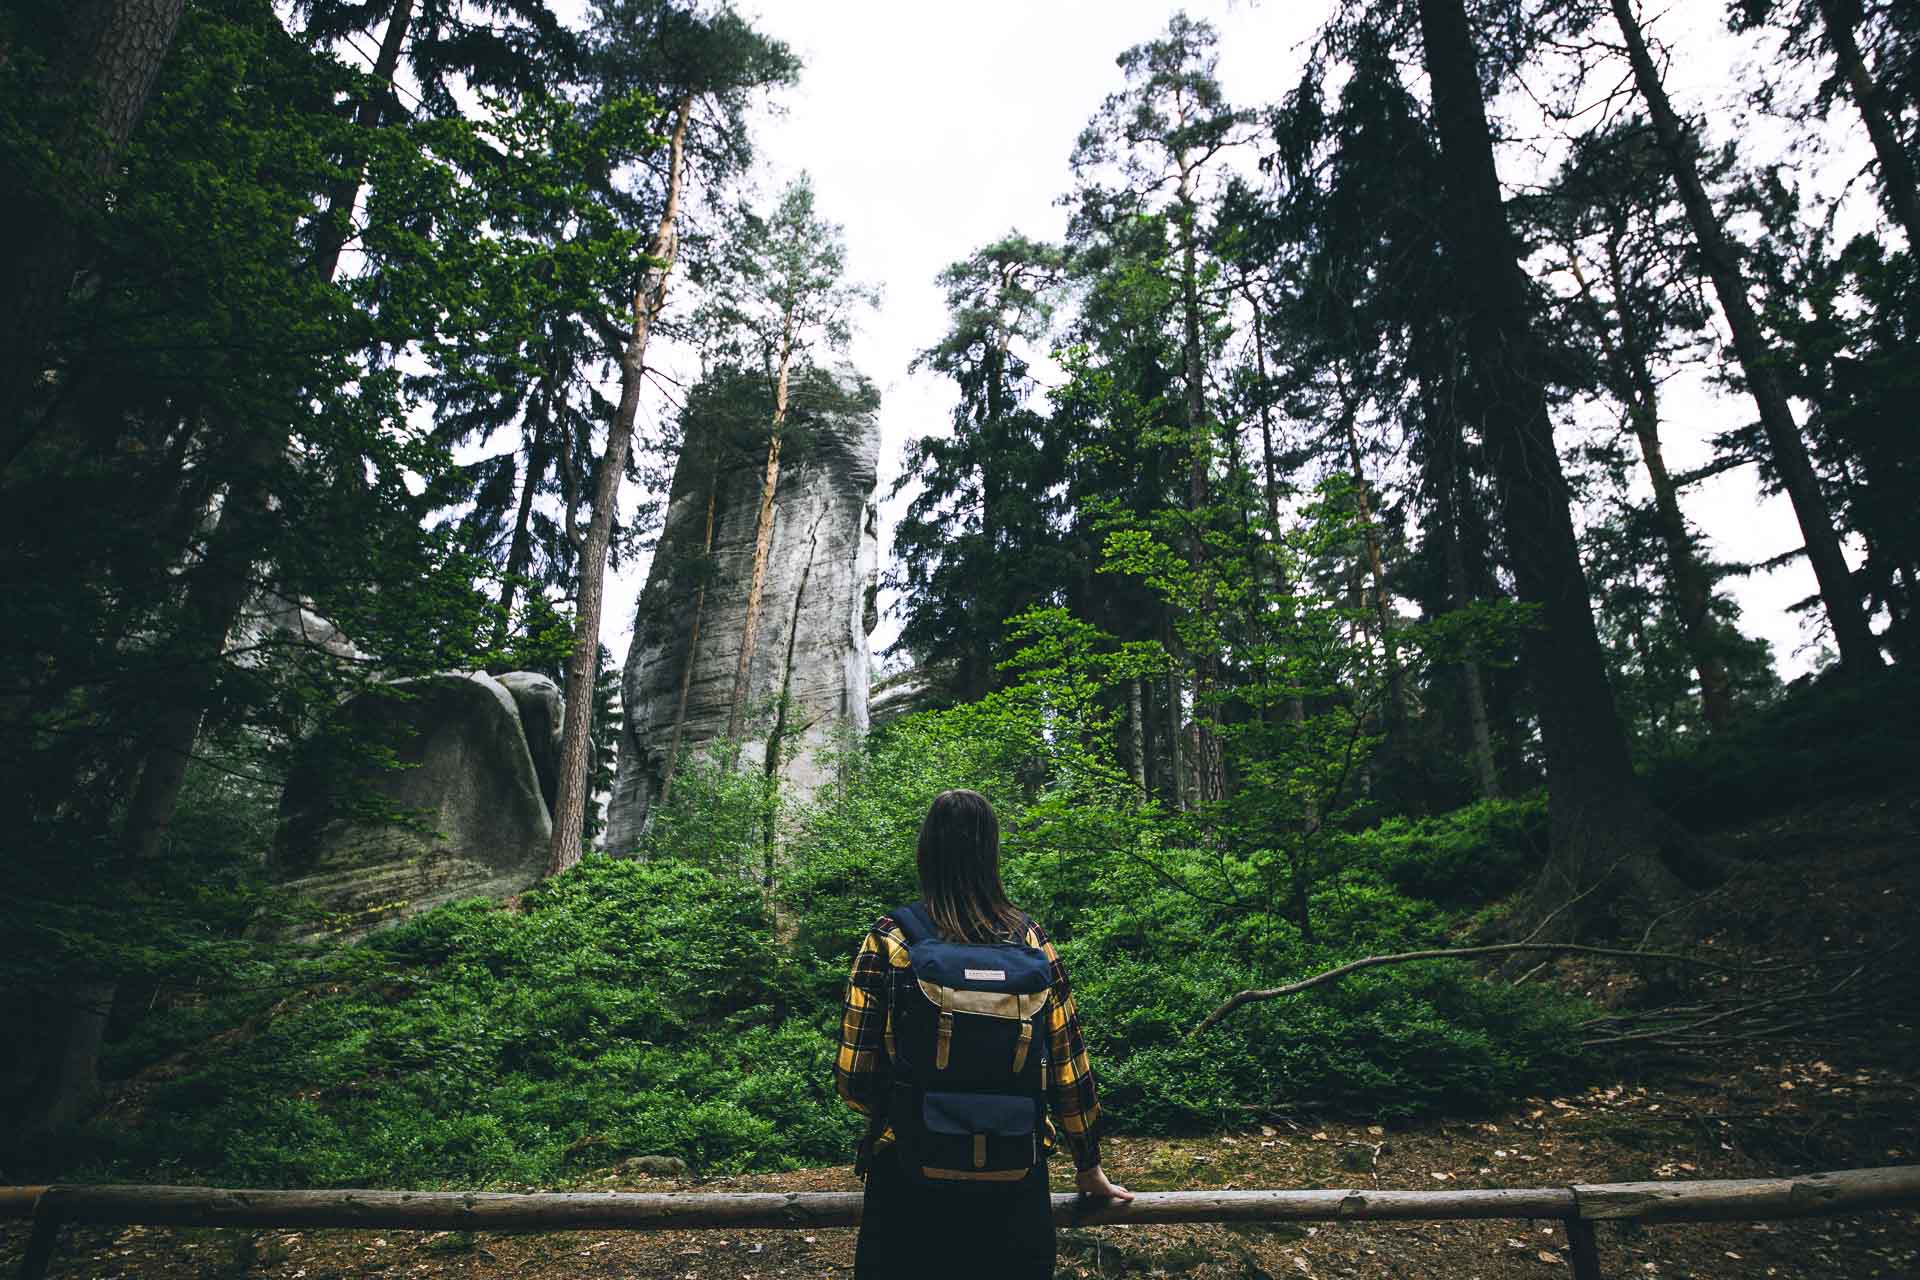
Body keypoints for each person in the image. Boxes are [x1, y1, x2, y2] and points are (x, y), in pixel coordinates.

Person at [834, 788, 1132, 1279]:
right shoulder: (1031, 941)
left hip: (908, 1179)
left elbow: (854, 1075)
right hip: (1014, 1176)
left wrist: (911, 1111)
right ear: (992, 851)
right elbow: (1069, 1067)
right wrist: (1088, 1165)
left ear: (926, 851)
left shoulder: (891, 938)